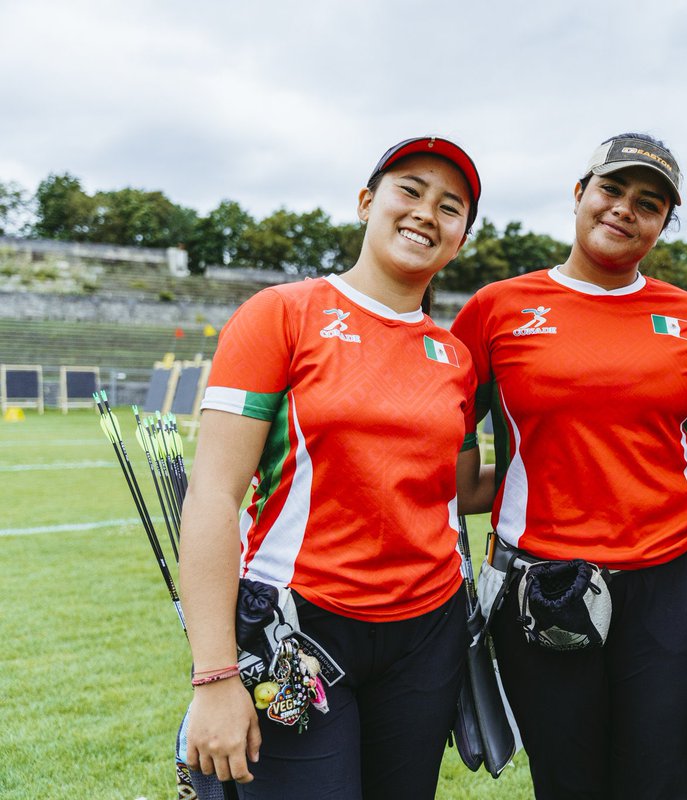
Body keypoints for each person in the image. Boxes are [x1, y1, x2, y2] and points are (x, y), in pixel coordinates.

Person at [178, 136, 493, 799]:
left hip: (426, 635)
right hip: (298, 625)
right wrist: (215, 675)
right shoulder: (281, 314)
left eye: (450, 207)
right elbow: (212, 495)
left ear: (461, 239)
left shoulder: (455, 357)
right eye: (410, 190)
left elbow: (461, 488)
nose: (426, 213)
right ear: (366, 203)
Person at [450, 133, 687, 799]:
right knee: (569, 782)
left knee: (664, 780)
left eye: (650, 203)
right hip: (545, 580)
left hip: (675, 578)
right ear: (579, 193)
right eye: (612, 189)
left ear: (664, 223)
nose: (626, 208)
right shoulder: (495, 309)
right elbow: (450, 449)